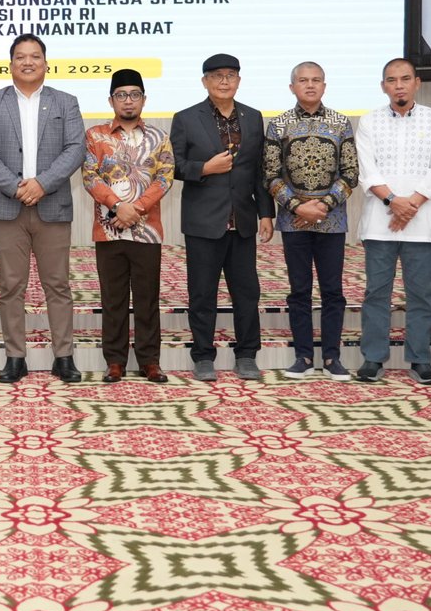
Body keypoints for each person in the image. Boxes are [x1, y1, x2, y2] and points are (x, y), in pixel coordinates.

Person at [0, 33, 86, 384]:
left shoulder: (66, 102)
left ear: (46, 64)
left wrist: (42, 184)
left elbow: (76, 149)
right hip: (7, 209)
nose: (28, 62)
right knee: (10, 286)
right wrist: (16, 187)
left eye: (35, 56)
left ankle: (63, 356)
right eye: (20, 57)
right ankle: (15, 357)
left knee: (58, 285)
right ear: (10, 64)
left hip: (53, 206)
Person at [172, 54, 275, 382]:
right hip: (203, 222)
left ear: (239, 81)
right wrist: (204, 168)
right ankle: (203, 356)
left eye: (231, 75)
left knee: (247, 292)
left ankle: (247, 354)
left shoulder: (253, 117)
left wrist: (265, 213)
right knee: (202, 293)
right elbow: (173, 165)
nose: (224, 81)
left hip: (242, 220)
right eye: (217, 76)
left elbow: (259, 170)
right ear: (205, 81)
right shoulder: (186, 118)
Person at [355, 58, 431, 385]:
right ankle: (373, 358)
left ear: (416, 83)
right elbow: (367, 170)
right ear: (383, 86)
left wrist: (411, 205)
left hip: (421, 224)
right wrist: (394, 202)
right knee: (376, 293)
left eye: (405, 79)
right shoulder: (369, 122)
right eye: (392, 80)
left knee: (421, 294)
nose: (399, 85)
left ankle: (420, 359)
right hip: (380, 223)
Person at [263, 61, 358, 380]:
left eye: (316, 80)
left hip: (332, 221)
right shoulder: (278, 125)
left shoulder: (341, 123)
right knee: (299, 290)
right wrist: (297, 207)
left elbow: (351, 173)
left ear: (324, 86)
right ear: (292, 87)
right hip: (294, 222)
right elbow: (271, 175)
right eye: (303, 80)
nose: (310, 85)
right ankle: (303, 356)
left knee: (333, 291)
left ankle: (332, 357)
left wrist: (323, 206)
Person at [83, 69, 174, 384]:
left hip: (147, 231)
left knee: (147, 298)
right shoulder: (95, 136)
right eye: (121, 95)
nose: (128, 101)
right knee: (113, 298)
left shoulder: (159, 137)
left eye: (135, 94)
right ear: (111, 101)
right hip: (108, 232)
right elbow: (89, 176)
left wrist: (135, 209)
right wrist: (117, 206)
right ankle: (115, 361)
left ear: (144, 99)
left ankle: (150, 361)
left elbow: (165, 177)